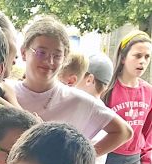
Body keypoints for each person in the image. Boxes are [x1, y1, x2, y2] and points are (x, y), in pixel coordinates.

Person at [14, 17, 132, 155]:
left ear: (65, 58)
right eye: (41, 52)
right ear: (24, 52)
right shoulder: (6, 92)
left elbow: (123, 132)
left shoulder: (78, 101)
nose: (49, 61)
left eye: (57, 55)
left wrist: (79, 159)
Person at [101, 31, 152, 164]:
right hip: (108, 158)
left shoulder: (148, 91)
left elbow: (148, 131)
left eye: (147, 57)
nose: (142, 61)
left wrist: (146, 160)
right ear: (123, 58)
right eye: (137, 56)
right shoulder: (107, 90)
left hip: (135, 159)